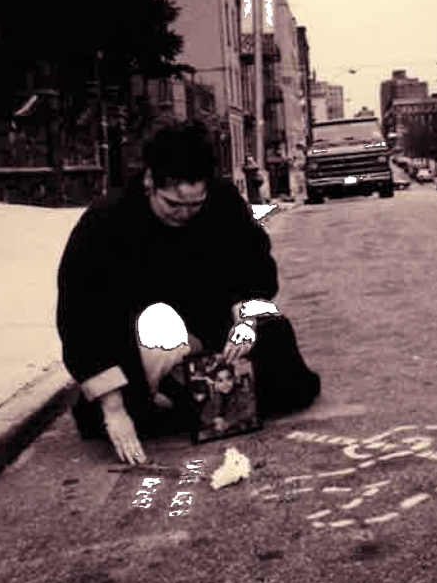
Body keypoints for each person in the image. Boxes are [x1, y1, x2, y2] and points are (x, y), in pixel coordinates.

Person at [56, 121, 320, 464]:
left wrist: (246, 318)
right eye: (174, 204)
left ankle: (192, 396)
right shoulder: (106, 221)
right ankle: (157, 397)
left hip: (213, 329)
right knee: (154, 339)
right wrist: (114, 409)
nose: (184, 214)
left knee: (289, 379)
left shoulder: (224, 200)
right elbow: (80, 316)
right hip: (139, 344)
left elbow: (257, 267)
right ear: (150, 182)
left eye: (195, 205)